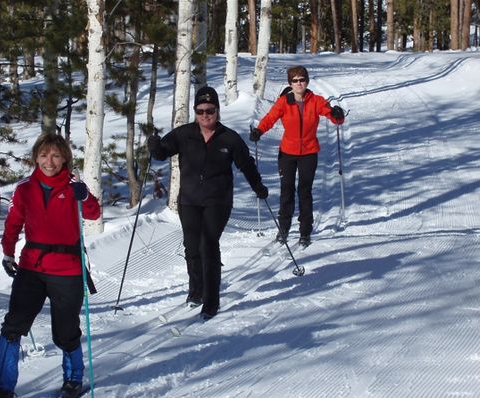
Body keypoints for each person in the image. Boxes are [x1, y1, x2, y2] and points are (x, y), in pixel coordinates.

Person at [0, 132, 101, 398]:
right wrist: (7, 252)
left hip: (67, 269)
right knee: (13, 327)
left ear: (64, 158)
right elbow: (13, 223)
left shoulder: (75, 186)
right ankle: (4, 388)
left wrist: (85, 196)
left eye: (55, 155)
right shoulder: (25, 188)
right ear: (35, 157)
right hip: (32, 267)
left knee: (65, 332)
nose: (49, 161)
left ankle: (73, 378)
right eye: (43, 155)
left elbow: (93, 214)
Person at [147, 85, 268, 321]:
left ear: (217, 110)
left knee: (208, 244)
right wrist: (154, 144)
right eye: (200, 110)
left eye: (210, 110)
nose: (205, 115)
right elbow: (161, 153)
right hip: (189, 200)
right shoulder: (183, 134)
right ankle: (196, 291)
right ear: (195, 111)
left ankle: (211, 302)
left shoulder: (229, 138)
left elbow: (246, 165)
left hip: (218, 201)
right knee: (192, 247)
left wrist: (258, 187)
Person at [250, 65, 345, 248]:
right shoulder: (284, 102)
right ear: (290, 83)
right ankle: (284, 229)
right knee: (286, 191)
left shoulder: (316, 100)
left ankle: (305, 232)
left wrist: (337, 115)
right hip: (287, 153)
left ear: (307, 81)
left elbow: (332, 115)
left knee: (304, 191)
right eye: (295, 80)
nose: (299, 83)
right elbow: (270, 118)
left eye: (302, 79)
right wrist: (259, 131)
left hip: (309, 153)